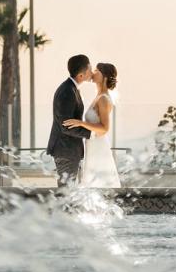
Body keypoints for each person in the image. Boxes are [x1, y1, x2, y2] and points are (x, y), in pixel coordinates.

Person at [64, 62, 121, 188]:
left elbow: (104, 128)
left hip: (98, 146)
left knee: (97, 184)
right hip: (92, 143)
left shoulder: (103, 99)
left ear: (104, 76)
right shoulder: (99, 96)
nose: (93, 73)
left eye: (97, 71)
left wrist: (80, 123)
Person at [46, 54, 92, 184]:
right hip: (65, 151)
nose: (92, 71)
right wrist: (91, 133)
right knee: (66, 193)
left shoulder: (71, 89)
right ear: (81, 75)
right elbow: (66, 126)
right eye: (90, 68)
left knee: (69, 193)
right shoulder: (67, 91)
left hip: (69, 150)